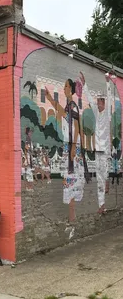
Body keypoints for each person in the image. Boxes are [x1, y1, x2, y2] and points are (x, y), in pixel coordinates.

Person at [45, 78, 87, 223]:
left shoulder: (73, 106)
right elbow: (59, 110)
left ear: (71, 89)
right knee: (69, 179)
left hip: (72, 146)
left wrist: (74, 146)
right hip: (68, 146)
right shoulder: (68, 106)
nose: (64, 88)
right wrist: (50, 98)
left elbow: (76, 127)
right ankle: (71, 215)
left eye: (66, 86)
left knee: (72, 178)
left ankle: (72, 216)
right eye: (64, 86)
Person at [82, 72, 113, 214]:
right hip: (98, 150)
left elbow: (110, 98)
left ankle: (107, 184)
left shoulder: (107, 114)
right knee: (99, 178)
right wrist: (84, 85)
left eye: (98, 102)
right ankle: (102, 205)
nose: (96, 103)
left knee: (104, 175)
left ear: (103, 103)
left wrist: (107, 82)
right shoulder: (96, 112)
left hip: (105, 150)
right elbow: (88, 99)